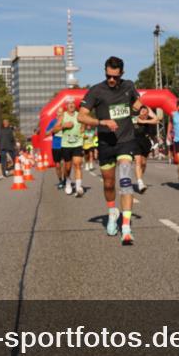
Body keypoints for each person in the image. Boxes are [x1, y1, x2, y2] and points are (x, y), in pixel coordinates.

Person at [78, 56, 149, 244]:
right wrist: (101, 122)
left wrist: (143, 109)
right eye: (108, 76)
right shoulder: (96, 90)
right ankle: (112, 212)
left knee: (125, 180)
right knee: (109, 184)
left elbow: (136, 104)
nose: (111, 80)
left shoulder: (128, 86)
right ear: (105, 72)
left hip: (126, 140)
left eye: (115, 77)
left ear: (122, 74)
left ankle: (125, 227)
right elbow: (81, 117)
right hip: (105, 143)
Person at [59, 98, 85, 196]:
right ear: (66, 106)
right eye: (69, 104)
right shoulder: (63, 116)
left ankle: (78, 187)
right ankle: (68, 182)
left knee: (77, 164)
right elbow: (55, 129)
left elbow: (83, 125)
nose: (71, 105)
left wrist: (82, 130)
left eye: (73, 103)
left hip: (77, 144)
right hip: (66, 145)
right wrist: (64, 126)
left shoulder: (79, 115)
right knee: (68, 167)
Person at [133, 105, 161, 193]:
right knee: (138, 161)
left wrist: (145, 120)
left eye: (145, 111)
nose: (143, 112)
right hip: (135, 141)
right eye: (142, 111)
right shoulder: (134, 118)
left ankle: (140, 179)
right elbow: (137, 120)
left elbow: (156, 120)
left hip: (145, 142)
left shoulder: (149, 120)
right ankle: (140, 182)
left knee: (144, 163)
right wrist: (142, 120)